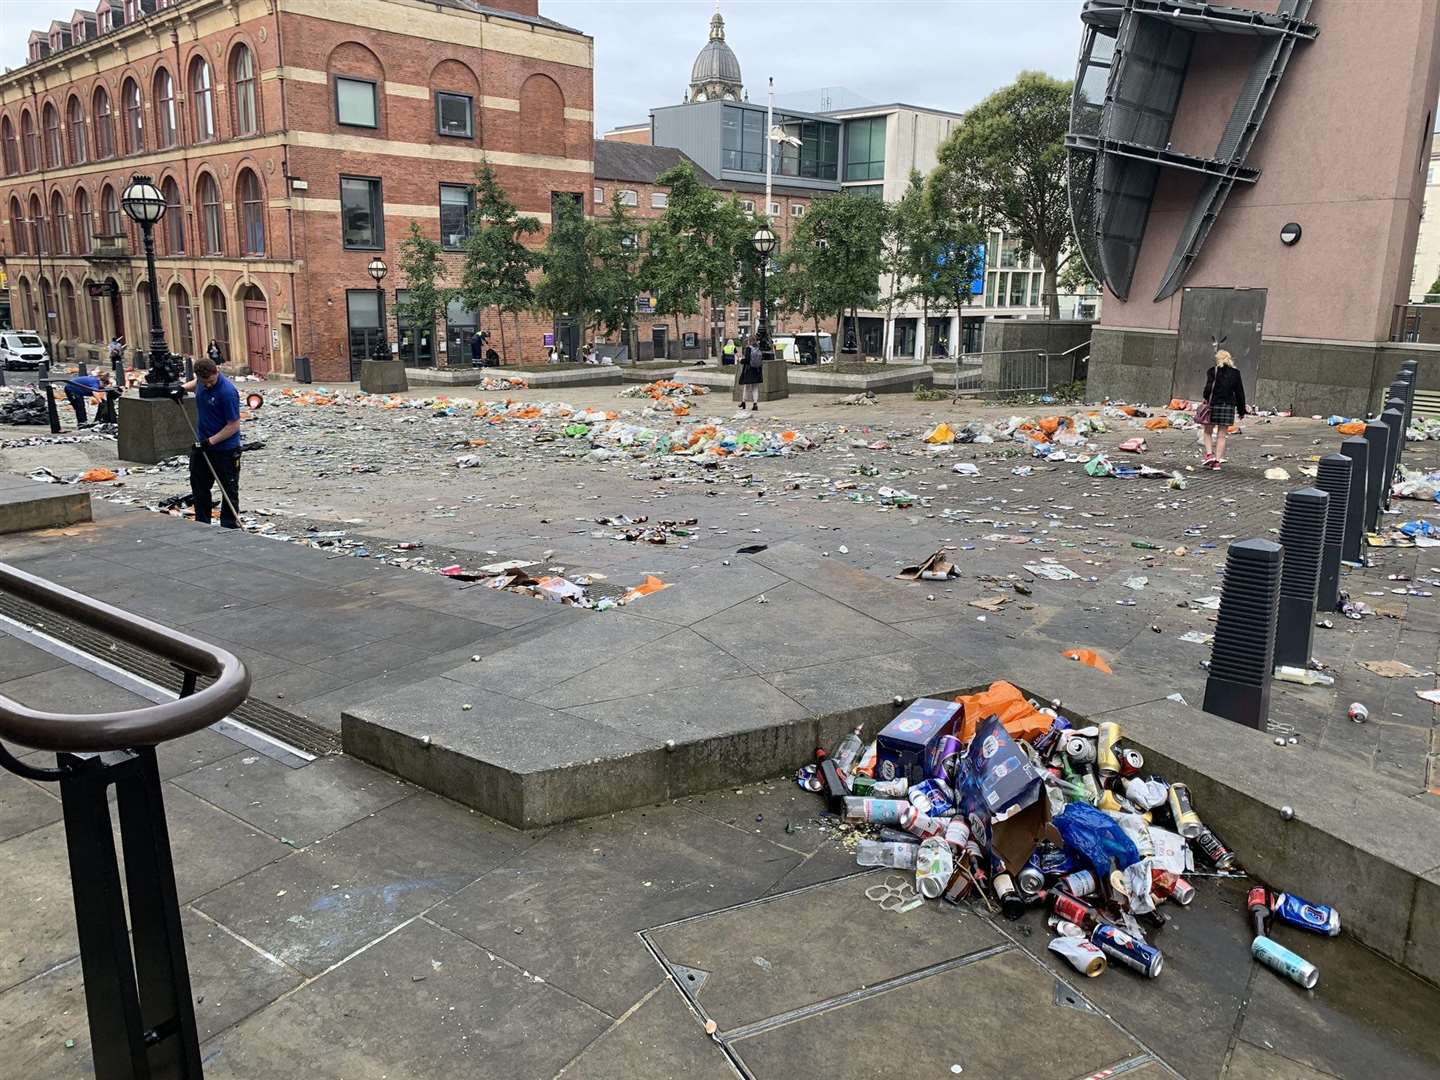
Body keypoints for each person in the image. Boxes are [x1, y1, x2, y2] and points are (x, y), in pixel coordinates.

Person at [184, 357, 243, 528]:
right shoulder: (201, 382)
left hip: (225, 449)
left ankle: (229, 525)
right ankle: (202, 523)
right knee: (199, 486)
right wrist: (181, 389)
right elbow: (196, 384)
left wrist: (210, 442)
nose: (207, 385)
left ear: (217, 372)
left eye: (210, 381)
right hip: (203, 447)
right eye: (204, 382)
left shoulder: (227, 392)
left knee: (228, 489)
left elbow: (233, 425)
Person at [1200, 348, 1246, 470]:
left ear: (1218, 359)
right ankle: (1217, 462)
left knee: (1208, 431)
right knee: (1221, 435)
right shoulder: (1236, 373)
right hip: (1228, 406)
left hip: (1213, 405)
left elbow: (1208, 389)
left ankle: (1209, 454)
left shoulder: (1212, 371)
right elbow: (1239, 393)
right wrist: (1242, 410)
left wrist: (1205, 397)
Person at [737, 334, 764, 412]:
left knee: (746, 387)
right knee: (755, 388)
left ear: (749, 341)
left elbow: (747, 360)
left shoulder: (749, 348)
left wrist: (741, 360)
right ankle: (755, 404)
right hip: (757, 370)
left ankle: (743, 402)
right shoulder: (758, 348)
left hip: (749, 370)